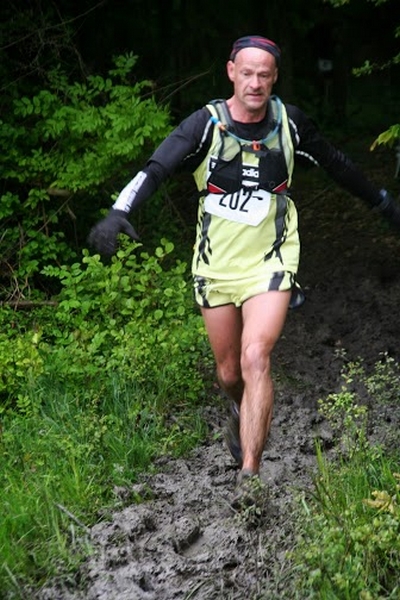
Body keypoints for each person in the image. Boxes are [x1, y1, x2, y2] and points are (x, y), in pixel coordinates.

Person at [89, 35, 400, 507]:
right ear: (231, 71)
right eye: (247, 72)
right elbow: (156, 168)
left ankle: (249, 476)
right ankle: (237, 407)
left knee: (257, 357)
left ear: (274, 78)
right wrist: (118, 212)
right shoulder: (205, 124)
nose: (255, 83)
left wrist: (383, 204)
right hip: (216, 263)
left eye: (265, 75)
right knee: (230, 370)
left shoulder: (288, 124)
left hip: (272, 257)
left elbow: (338, 165)